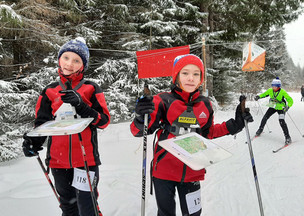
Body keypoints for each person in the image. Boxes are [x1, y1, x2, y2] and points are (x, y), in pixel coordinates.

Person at [130, 54, 252, 216]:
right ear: (176, 76)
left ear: (201, 78)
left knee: (194, 213)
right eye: (185, 73)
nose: (190, 78)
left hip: (192, 171)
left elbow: (208, 133)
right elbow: (140, 131)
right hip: (164, 172)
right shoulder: (162, 100)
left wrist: (234, 125)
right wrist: (140, 117)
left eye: (196, 74)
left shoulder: (205, 104)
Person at [22, 37, 110, 216]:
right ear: (59, 59)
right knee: (68, 208)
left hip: (86, 161)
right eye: (66, 58)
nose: (70, 64)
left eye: (76, 60)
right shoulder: (49, 90)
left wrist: (83, 106)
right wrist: (32, 141)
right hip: (58, 162)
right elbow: (42, 123)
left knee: (88, 208)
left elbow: (104, 121)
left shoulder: (91, 88)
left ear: (83, 65)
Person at [254, 77, 293, 144]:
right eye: (272, 86)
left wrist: (288, 106)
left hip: (281, 108)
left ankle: (288, 137)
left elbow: (290, 100)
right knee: (265, 117)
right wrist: (258, 96)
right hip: (273, 106)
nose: (273, 88)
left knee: (281, 121)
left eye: (275, 86)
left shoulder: (283, 92)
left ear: (278, 87)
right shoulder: (270, 90)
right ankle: (260, 129)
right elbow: (264, 94)